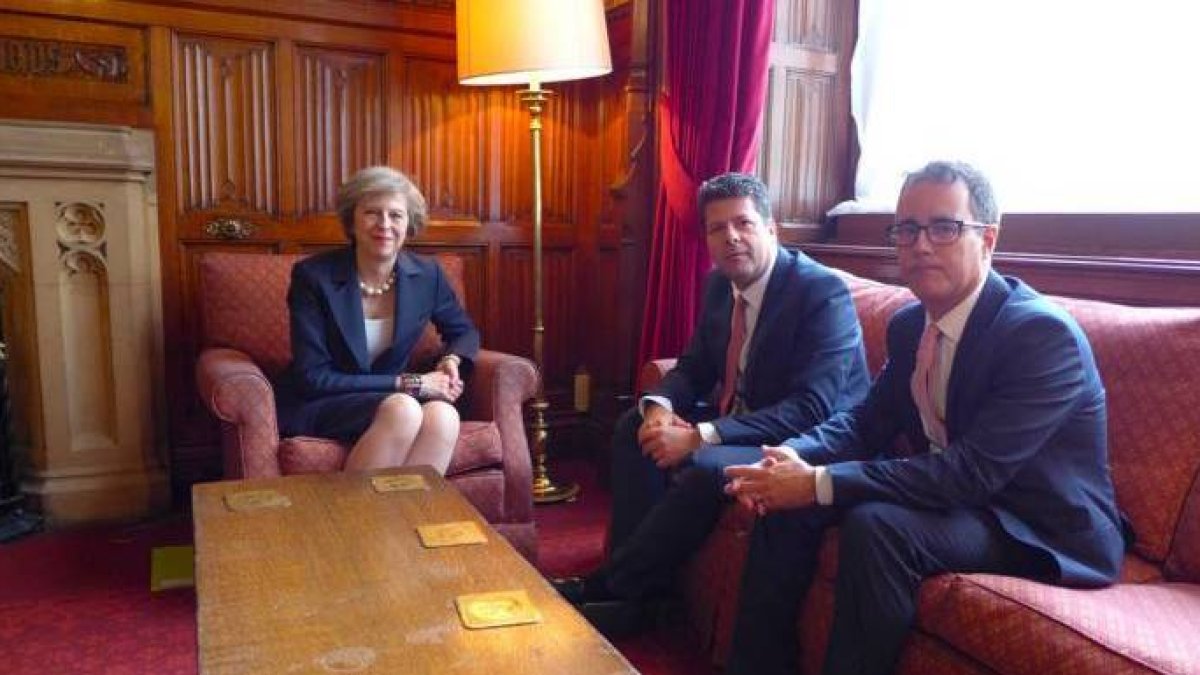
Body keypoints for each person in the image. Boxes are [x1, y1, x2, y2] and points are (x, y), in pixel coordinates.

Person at [723, 160, 1126, 675]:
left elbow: (970, 473)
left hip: (1034, 521)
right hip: (960, 500)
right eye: (907, 229)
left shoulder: (1040, 336)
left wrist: (819, 482)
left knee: (879, 527)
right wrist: (795, 458)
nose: (920, 245)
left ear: (988, 239)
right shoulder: (912, 323)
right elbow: (866, 422)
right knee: (787, 503)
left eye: (944, 227)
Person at [554, 172, 870, 627]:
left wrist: (702, 436)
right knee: (633, 428)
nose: (732, 238)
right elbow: (696, 367)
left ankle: (613, 586)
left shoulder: (819, 292)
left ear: (771, 229)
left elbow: (811, 408)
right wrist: (660, 408)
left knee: (707, 468)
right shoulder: (719, 286)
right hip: (745, 419)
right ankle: (641, 595)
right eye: (717, 228)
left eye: (743, 223)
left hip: (806, 439)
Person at [275, 166, 479, 475]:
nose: (384, 224)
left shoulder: (427, 275)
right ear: (352, 221)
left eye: (396, 215)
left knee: (443, 415)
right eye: (372, 213)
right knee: (404, 409)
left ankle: (407, 518)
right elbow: (313, 377)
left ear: (409, 224)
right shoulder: (313, 277)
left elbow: (464, 332)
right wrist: (411, 383)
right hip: (324, 402)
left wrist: (452, 359)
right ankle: (357, 521)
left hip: (393, 401)